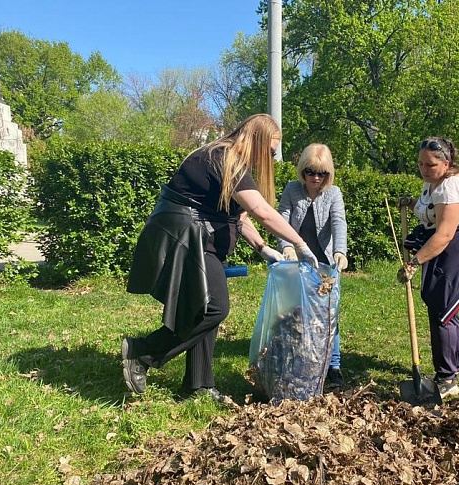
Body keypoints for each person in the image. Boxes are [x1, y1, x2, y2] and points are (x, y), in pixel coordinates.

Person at [122, 114, 319, 400]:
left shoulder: (227, 159)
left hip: (199, 236)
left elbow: (239, 216)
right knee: (212, 307)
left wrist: (263, 249)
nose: (272, 158)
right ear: (258, 141)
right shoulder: (224, 158)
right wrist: (300, 243)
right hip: (186, 235)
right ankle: (143, 352)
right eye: (272, 151)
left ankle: (197, 385)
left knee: (204, 305)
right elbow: (261, 211)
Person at [397, 137, 459, 398]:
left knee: (444, 307)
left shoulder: (450, 188)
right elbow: (430, 212)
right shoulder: (433, 183)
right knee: (439, 304)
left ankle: (448, 379)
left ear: (447, 163)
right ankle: (449, 370)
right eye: (420, 163)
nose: (423, 169)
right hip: (448, 245)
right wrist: (410, 203)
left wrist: (414, 262)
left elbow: (443, 234)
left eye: (430, 165)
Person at [276, 143, 348, 387]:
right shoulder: (291, 190)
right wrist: (286, 246)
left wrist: (340, 252)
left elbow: (339, 223)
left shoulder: (333, 193)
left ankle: (333, 365)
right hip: (295, 264)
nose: (316, 178)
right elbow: (281, 219)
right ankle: (295, 357)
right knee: (293, 313)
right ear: (302, 171)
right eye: (310, 172)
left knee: (328, 315)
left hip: (324, 266)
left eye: (322, 173)